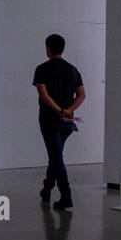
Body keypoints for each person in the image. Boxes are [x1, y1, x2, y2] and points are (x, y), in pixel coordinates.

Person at [32, 34, 85, 211]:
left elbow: (43, 96)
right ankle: (46, 189)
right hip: (67, 122)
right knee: (56, 155)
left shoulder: (42, 69)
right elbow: (82, 95)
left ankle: (66, 195)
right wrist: (69, 110)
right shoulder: (73, 70)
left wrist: (59, 110)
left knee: (56, 157)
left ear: (48, 48)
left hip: (50, 120)